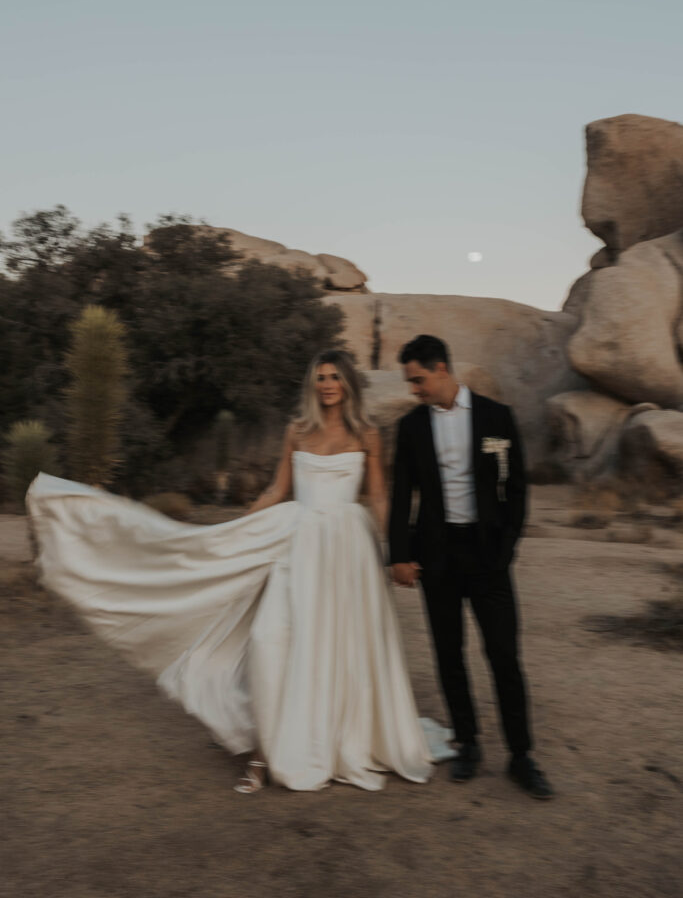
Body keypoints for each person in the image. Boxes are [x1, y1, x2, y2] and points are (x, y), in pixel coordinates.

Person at [27, 349, 433, 793]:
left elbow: (377, 498)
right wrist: (237, 529)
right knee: (272, 639)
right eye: (320, 377)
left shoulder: (368, 435)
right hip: (297, 544)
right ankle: (266, 751)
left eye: (335, 376)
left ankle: (330, 740)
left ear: (349, 383)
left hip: (348, 550)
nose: (327, 384)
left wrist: (397, 550)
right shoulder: (297, 430)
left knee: (342, 643)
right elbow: (278, 489)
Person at [389, 334, 553, 799]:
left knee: (503, 656)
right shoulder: (411, 427)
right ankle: (469, 743)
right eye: (410, 383)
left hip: (488, 557)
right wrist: (399, 554)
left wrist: (506, 549)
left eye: (418, 380)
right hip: (436, 557)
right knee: (449, 654)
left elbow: (516, 487)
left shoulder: (496, 417)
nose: (413, 389)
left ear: (441, 368)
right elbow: (403, 493)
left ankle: (522, 756)